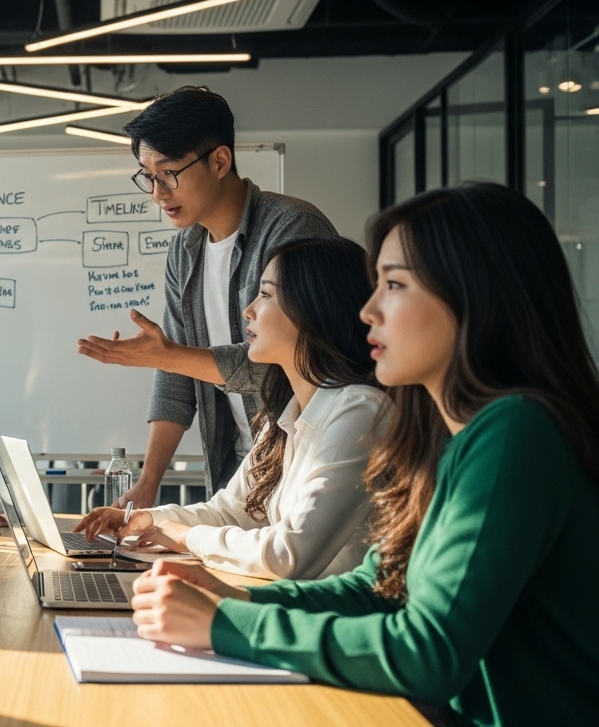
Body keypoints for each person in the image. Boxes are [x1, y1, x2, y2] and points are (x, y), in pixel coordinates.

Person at [129, 184, 599, 726]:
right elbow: (380, 585)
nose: (369, 310)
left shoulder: (516, 433)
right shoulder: (450, 437)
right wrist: (237, 605)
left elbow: (428, 654)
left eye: (394, 285)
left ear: (476, 297)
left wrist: (226, 627)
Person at [76, 86, 336, 509]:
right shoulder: (185, 251)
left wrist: (167, 355)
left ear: (219, 161)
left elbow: (290, 357)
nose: (159, 193)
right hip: (243, 468)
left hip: (309, 458)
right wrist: (148, 482)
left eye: (169, 172)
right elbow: (176, 374)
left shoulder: (292, 228)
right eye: (148, 176)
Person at [75, 237, 384, 580]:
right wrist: (149, 519)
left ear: (313, 308)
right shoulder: (286, 414)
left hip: (333, 623)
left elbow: (290, 554)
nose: (248, 310)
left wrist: (188, 537)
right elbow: (228, 512)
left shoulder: (360, 412)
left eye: (265, 295)